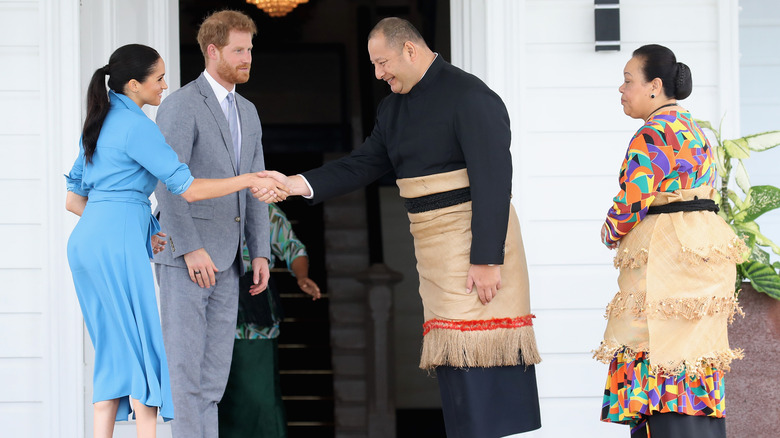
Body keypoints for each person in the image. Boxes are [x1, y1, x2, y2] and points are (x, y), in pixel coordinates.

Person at [260, 17, 542, 438]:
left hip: (476, 247)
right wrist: (297, 183)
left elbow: (494, 181)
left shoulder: (470, 96)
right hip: (433, 251)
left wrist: (487, 258)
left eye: (382, 62)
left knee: (483, 372)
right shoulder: (392, 107)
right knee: (455, 372)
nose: (378, 74)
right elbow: (365, 163)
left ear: (410, 50)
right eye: (373, 65)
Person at [65, 44, 286, 438]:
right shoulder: (138, 127)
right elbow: (187, 188)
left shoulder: (98, 120)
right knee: (146, 355)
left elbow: (74, 199)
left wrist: (143, 228)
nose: (166, 85)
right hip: (117, 247)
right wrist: (249, 179)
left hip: (85, 245)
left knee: (114, 352)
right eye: (159, 78)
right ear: (134, 85)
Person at [595, 44, 748, 438]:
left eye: (628, 81)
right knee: (694, 347)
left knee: (655, 341)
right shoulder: (695, 130)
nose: (621, 89)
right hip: (703, 253)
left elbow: (632, 201)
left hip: (667, 256)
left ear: (655, 86)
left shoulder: (653, 133)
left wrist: (609, 231)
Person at [152, 9, 279, 438]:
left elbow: (258, 186)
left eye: (250, 50)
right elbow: (167, 184)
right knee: (186, 380)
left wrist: (259, 250)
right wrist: (189, 247)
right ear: (212, 51)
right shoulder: (181, 105)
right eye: (238, 50)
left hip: (229, 262)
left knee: (212, 383)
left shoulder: (249, 110)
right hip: (187, 259)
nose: (247, 58)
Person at [219, 203, 321, 438]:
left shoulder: (262, 209)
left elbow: (292, 248)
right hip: (209, 310)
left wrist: (302, 277)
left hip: (254, 315)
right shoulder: (199, 197)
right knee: (216, 399)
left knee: (259, 397)